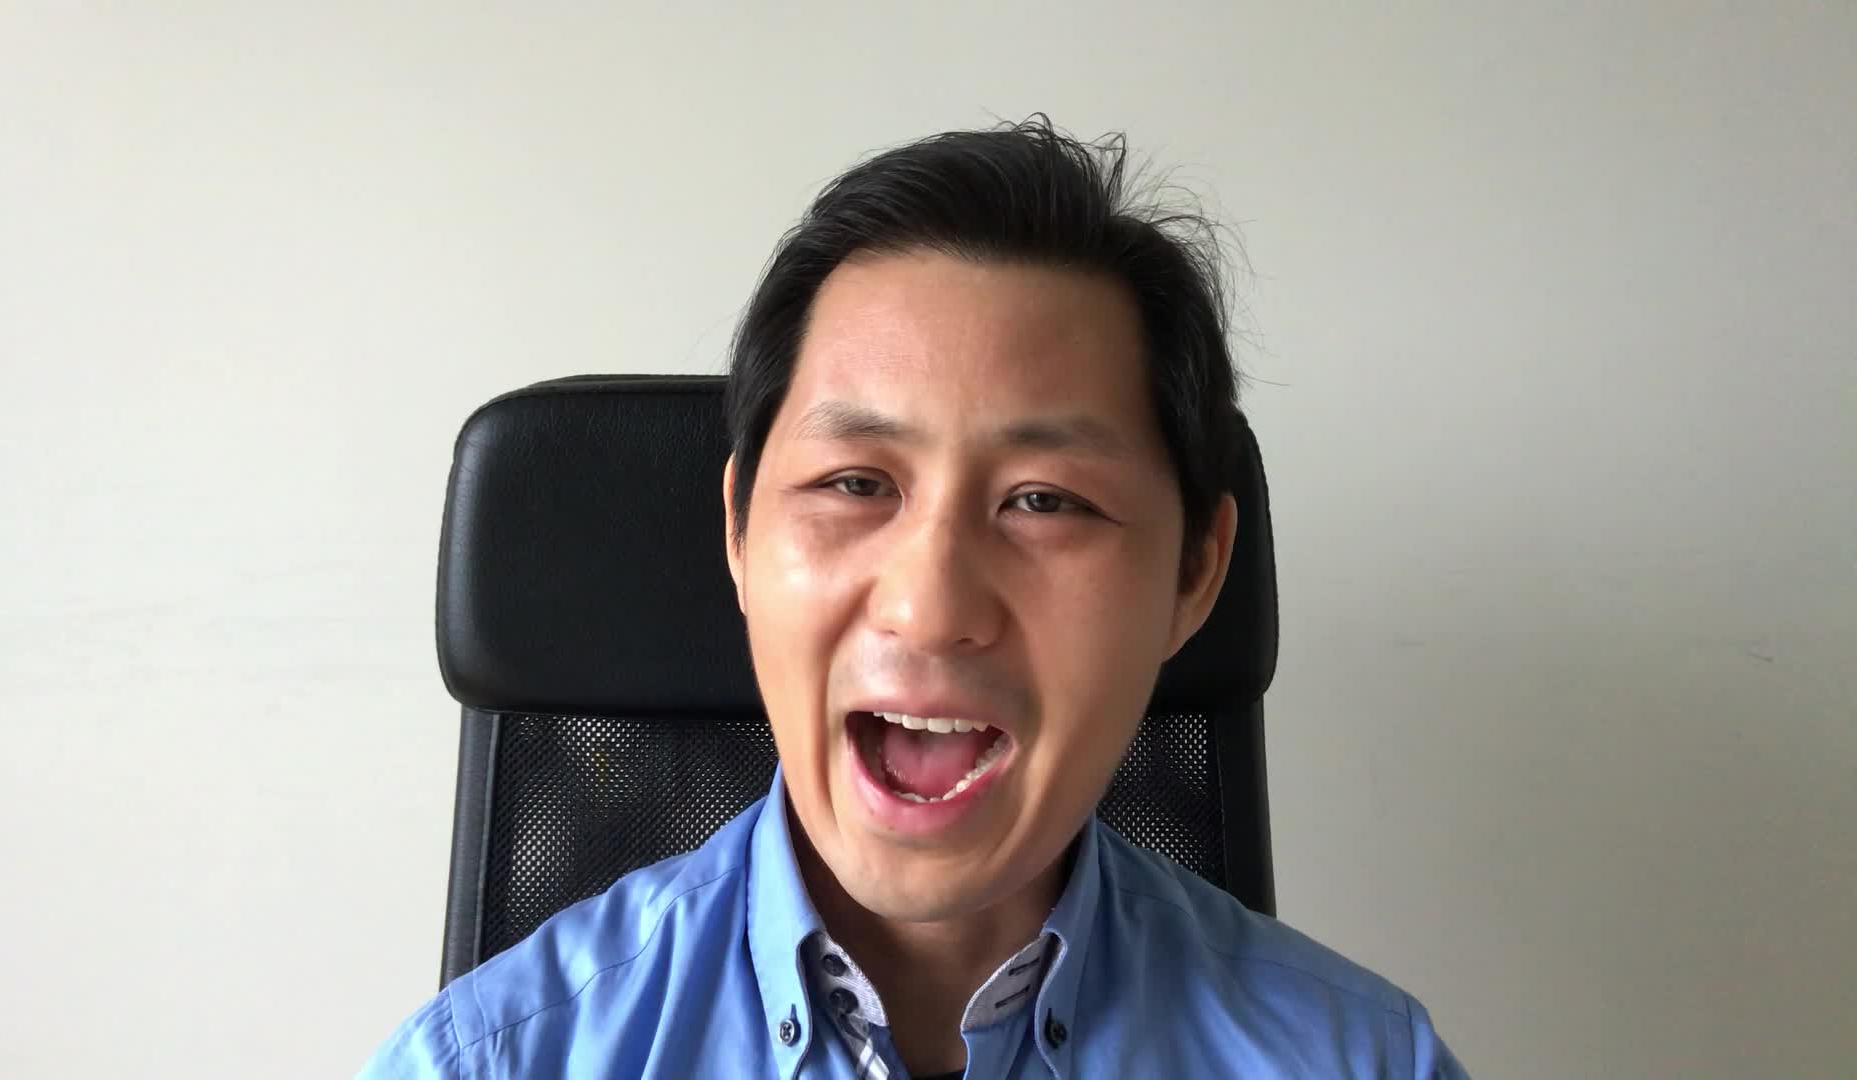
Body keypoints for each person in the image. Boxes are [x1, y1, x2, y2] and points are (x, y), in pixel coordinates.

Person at [361, 117, 1468, 1079]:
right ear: (738, 530)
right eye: (855, 484)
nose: (930, 608)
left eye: (1045, 501)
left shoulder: (1362, 1061)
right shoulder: (489, 1062)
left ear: (1195, 574)